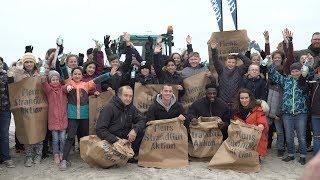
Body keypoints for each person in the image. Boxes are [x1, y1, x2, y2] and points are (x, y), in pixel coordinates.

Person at [59, 66, 114, 170]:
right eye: (75, 74)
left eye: (79, 74)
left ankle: (85, 156)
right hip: (72, 115)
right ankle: (64, 160)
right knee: (70, 137)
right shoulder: (69, 83)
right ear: (72, 75)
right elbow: (64, 81)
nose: (77, 75)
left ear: (82, 75)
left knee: (84, 136)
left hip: (84, 115)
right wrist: (62, 66)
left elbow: (97, 80)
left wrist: (109, 74)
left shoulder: (86, 85)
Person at [266, 59, 310, 165]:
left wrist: (307, 67)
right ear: (290, 72)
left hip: (301, 113)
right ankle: (291, 154)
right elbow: (274, 75)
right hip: (287, 114)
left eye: (297, 71)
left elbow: (309, 74)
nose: (295, 73)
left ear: (301, 71)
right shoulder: (285, 81)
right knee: (289, 136)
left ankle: (303, 155)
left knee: (301, 136)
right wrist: (269, 64)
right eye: (293, 71)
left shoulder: (304, 81)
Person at [7, 53, 44, 167]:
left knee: (39, 130)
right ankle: (28, 156)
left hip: (38, 108)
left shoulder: (40, 74)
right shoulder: (19, 74)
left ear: (34, 63)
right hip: (24, 109)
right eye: (26, 62)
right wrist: (17, 76)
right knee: (26, 131)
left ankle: (38, 155)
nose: (28, 64)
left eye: (30, 62)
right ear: (23, 64)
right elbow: (13, 88)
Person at [96, 86, 146, 163]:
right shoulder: (109, 108)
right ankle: (125, 156)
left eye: (130, 96)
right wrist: (116, 140)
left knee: (142, 130)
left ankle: (131, 155)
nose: (128, 98)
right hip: (112, 140)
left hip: (125, 139)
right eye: (126, 95)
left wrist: (135, 130)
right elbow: (100, 130)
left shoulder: (131, 108)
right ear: (119, 96)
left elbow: (142, 120)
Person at [210, 39, 251, 105]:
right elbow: (215, 61)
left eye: (233, 62)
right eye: (229, 62)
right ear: (226, 62)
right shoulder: (221, 70)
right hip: (223, 101)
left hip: (236, 102)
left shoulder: (239, 70)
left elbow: (248, 63)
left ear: (236, 63)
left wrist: (238, 54)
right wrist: (214, 49)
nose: (231, 64)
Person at [232, 88, 269, 158]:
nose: (244, 100)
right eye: (242, 98)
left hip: (254, 138)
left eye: (246, 98)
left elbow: (262, 123)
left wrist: (260, 126)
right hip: (242, 138)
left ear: (250, 98)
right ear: (239, 99)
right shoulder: (236, 110)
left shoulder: (257, 109)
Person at [41, 70, 68, 164]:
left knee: (63, 139)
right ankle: (56, 154)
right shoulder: (49, 91)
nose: (55, 81)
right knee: (55, 139)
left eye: (57, 79)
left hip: (63, 119)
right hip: (53, 120)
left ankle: (62, 153)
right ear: (50, 81)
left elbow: (67, 87)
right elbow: (44, 82)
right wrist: (45, 71)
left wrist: (68, 87)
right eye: (53, 79)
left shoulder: (62, 89)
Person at [0, 57, 15, 168]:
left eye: (0, 63)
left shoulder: (6, 77)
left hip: (5, 110)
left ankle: (6, 158)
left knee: (4, 135)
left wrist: (10, 77)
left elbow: (12, 89)